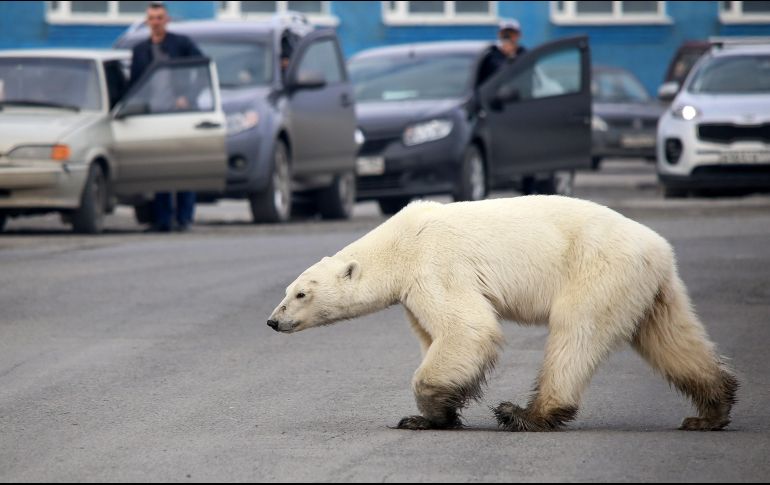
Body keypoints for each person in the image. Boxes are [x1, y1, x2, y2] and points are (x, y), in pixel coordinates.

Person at [129, 1, 203, 233]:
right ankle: (162, 220)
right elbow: (134, 85)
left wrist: (187, 97)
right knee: (159, 169)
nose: (156, 22)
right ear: (147, 21)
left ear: (167, 20)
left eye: (160, 17)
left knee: (184, 167)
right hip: (153, 116)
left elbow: (202, 70)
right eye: (152, 18)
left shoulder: (181, 44)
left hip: (180, 115)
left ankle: (184, 218)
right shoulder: (140, 50)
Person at [477, 18, 528, 86]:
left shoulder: (524, 54)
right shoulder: (491, 56)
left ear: (518, 35)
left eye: (511, 34)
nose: (508, 37)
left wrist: (512, 55)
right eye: (505, 34)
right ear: (499, 35)